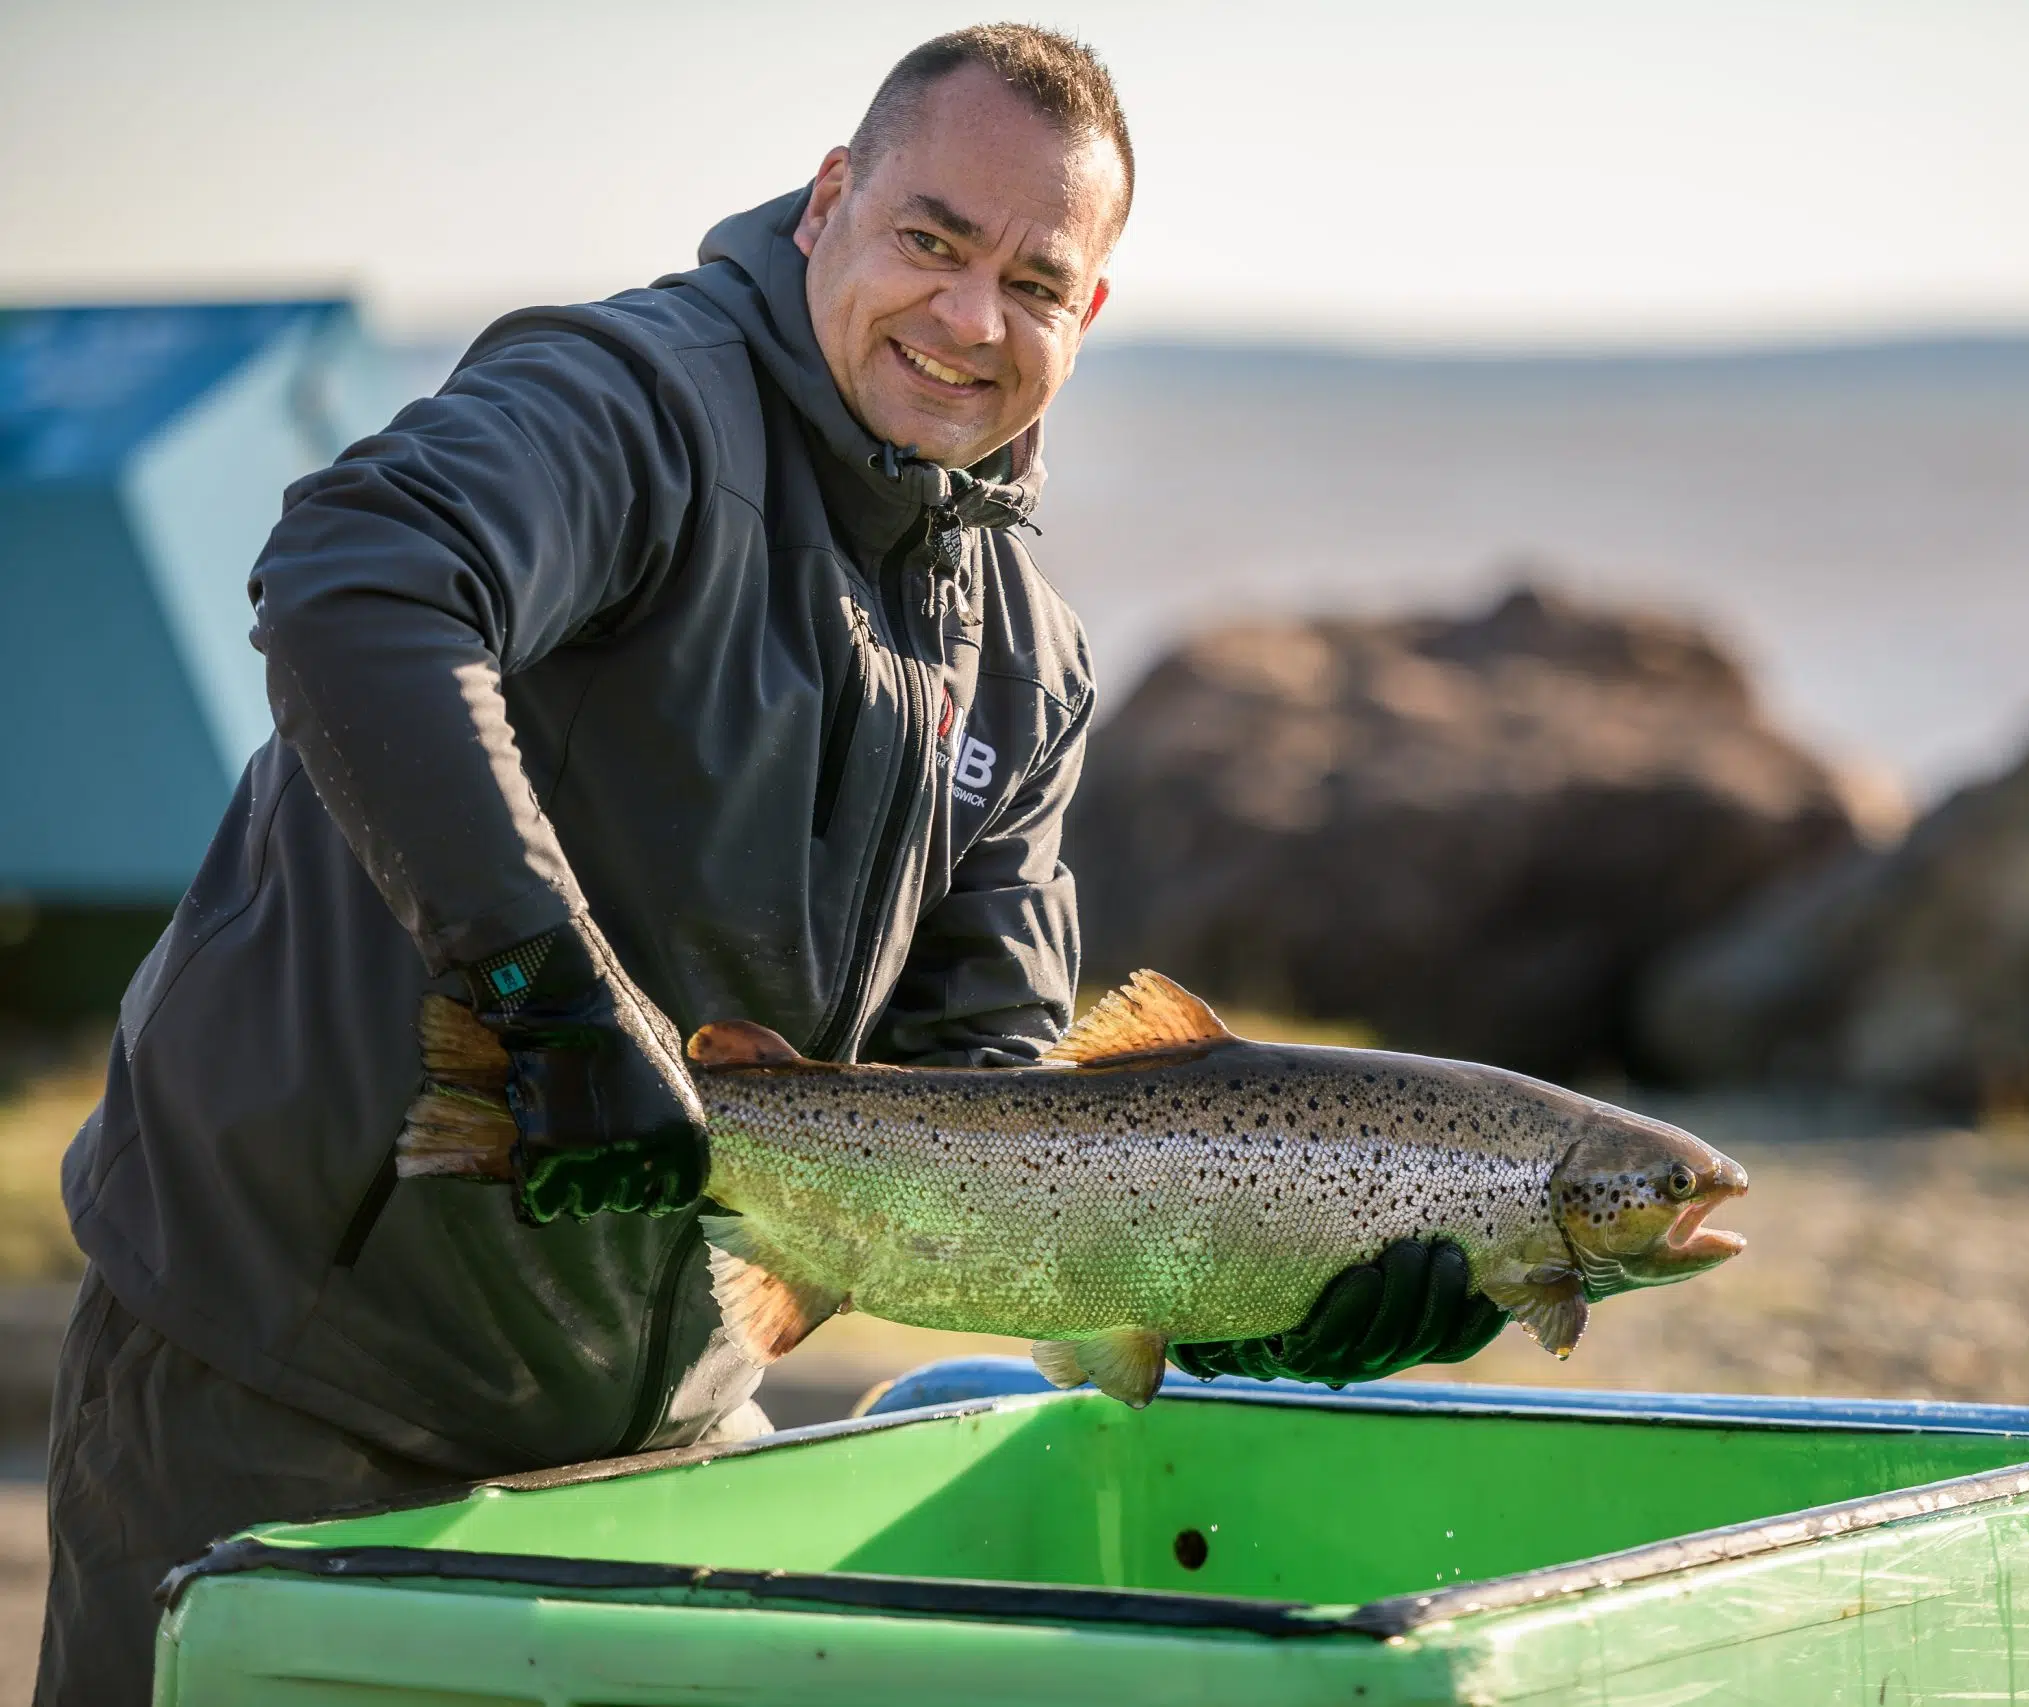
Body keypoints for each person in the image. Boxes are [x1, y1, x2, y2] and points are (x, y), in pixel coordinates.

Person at [37, 24, 1501, 1700]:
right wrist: (540, 987)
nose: (969, 316)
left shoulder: (1024, 660)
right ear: (828, 206)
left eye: (1034, 279)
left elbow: (990, 1108)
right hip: (281, 1384)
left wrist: (1235, 1289)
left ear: (1086, 320)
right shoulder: (628, 402)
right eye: (931, 240)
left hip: (660, 1448)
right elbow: (357, 578)